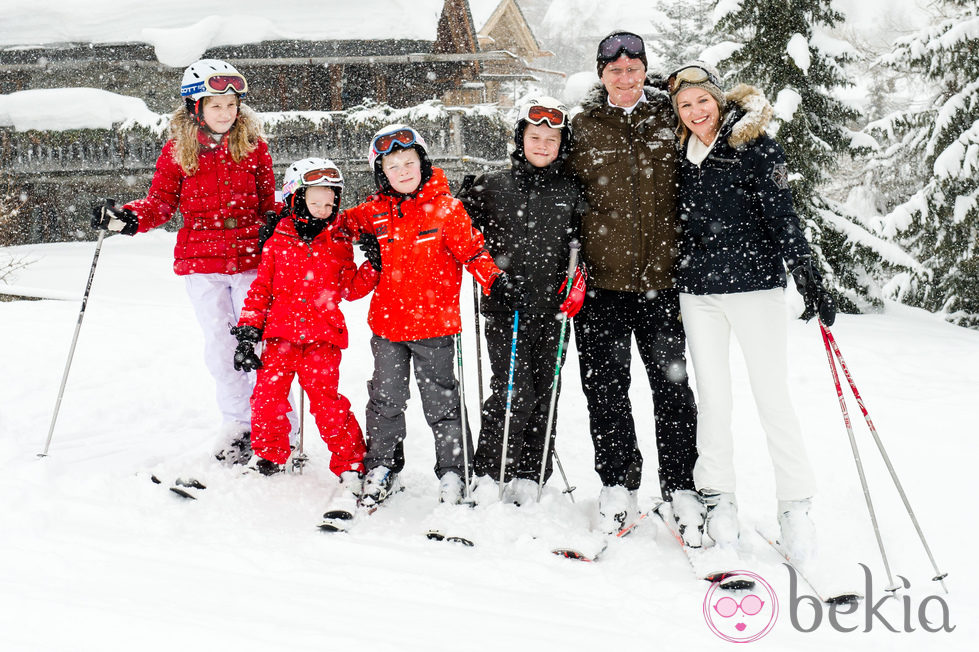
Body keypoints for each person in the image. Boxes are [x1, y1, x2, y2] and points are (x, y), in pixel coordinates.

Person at [668, 61, 836, 560]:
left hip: (755, 289)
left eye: (703, 100)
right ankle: (719, 498)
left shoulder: (755, 146)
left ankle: (795, 507)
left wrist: (807, 271)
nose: (697, 111)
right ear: (677, 113)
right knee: (714, 400)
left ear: (719, 99)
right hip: (698, 295)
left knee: (771, 397)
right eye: (685, 105)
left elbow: (782, 211)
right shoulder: (680, 154)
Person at [90, 59, 297, 463]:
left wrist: (285, 220)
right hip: (202, 263)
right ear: (195, 108)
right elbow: (161, 204)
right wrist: (129, 218)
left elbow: (267, 202)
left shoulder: (255, 148)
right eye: (216, 104)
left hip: (251, 259)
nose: (226, 112)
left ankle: (277, 423)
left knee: (263, 346)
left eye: (232, 104)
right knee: (222, 348)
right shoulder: (177, 151)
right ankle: (238, 425)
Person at [565, 31, 702, 537]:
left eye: (633, 68)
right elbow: (556, 184)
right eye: (614, 70)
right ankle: (617, 483)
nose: (624, 78)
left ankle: (681, 486)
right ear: (601, 75)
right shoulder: (582, 127)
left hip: (663, 284)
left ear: (645, 71)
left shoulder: (672, 117)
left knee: (673, 388)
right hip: (601, 285)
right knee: (605, 389)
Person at [342, 124, 518, 508]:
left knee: (441, 402)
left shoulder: (447, 209)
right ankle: (382, 466)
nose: (403, 171)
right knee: (386, 398)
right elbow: (335, 225)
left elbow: (473, 253)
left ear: (423, 163)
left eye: (409, 162)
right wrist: (298, 218)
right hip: (387, 327)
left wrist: (495, 279)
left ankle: (454, 471)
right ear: (381, 174)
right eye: (393, 166)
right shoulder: (372, 212)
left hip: (434, 327)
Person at [459, 97, 587, 505]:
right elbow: (457, 232)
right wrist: (491, 277)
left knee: (546, 388)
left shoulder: (572, 190)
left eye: (552, 138)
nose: (543, 144)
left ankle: (533, 471)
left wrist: (579, 279)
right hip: (505, 306)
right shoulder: (492, 185)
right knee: (514, 390)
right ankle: (491, 470)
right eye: (535, 136)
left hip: (553, 307)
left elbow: (587, 244)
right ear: (521, 138)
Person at [232, 158, 377, 506]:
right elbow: (261, 290)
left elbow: (350, 287)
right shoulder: (277, 241)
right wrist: (249, 332)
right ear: (295, 199)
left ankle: (351, 463)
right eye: (316, 202)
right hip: (280, 337)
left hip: (321, 339)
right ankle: (269, 455)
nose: (324, 210)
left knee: (327, 405)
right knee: (266, 399)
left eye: (330, 203)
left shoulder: (338, 241)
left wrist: (374, 266)